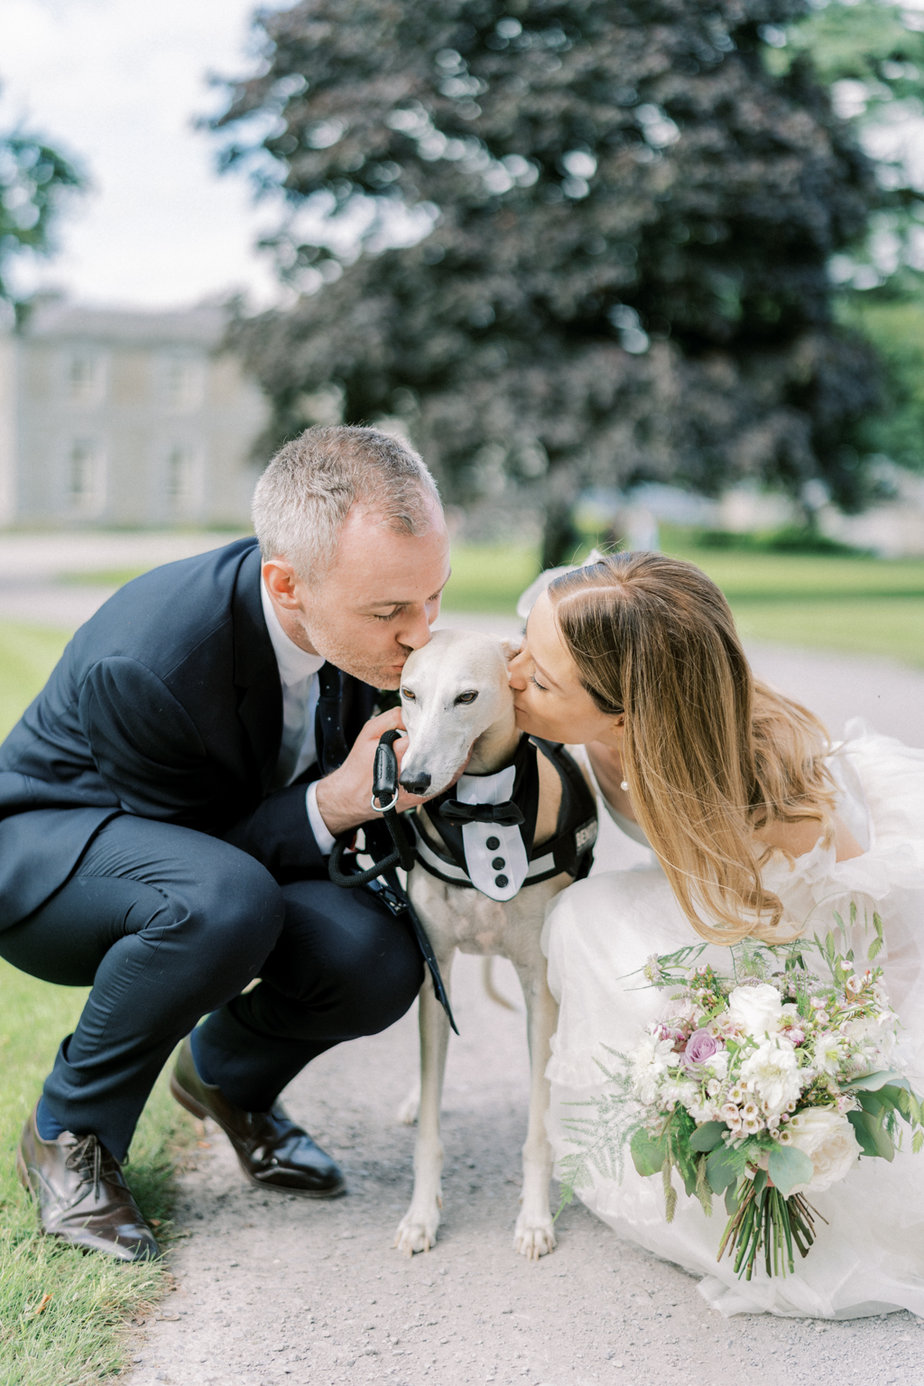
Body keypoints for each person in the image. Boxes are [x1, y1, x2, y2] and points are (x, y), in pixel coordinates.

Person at [0, 424, 451, 1262]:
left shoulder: (368, 628)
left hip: (219, 855)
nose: (421, 633)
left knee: (379, 955)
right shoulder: (154, 657)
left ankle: (228, 1080)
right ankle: (68, 1132)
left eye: (434, 597)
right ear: (287, 585)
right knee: (221, 901)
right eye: (390, 611)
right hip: (51, 859)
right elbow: (200, 851)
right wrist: (334, 802)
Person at [507, 550, 924, 1318]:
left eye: (538, 678)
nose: (513, 673)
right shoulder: (590, 639)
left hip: (809, 932)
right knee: (586, 923)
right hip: (716, 903)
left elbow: (882, 933)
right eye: (521, 646)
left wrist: (800, 1063)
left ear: (627, 714)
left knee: (609, 947)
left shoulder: (776, 787)